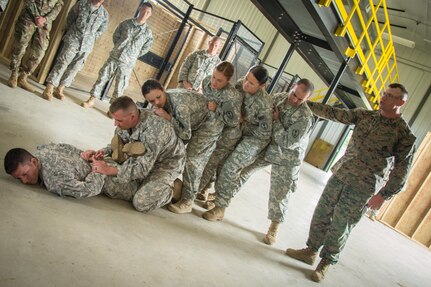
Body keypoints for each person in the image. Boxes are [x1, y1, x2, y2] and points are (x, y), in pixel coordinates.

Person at [285, 83, 416, 282]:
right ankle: (310, 251)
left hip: (363, 186)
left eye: (389, 96)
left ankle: (326, 262)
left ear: (401, 102)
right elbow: (334, 113)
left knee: (341, 224)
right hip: (340, 174)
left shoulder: (404, 134)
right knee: (322, 213)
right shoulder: (365, 115)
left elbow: (401, 171)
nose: (383, 97)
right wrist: (306, 103)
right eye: (384, 93)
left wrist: (383, 195)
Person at [236, 79, 315, 245]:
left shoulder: (305, 117)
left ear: (306, 100)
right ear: (291, 88)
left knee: (279, 193)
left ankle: (274, 228)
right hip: (270, 146)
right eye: (294, 95)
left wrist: (276, 120)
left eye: (300, 99)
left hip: (288, 157)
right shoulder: (279, 98)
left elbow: (287, 141)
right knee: (243, 170)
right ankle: (222, 198)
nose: (294, 100)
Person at [82, 96, 186, 213]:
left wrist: (109, 170)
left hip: (166, 164)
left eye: (119, 120)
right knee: (109, 172)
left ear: (132, 117)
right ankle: (144, 183)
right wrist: (100, 152)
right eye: (114, 119)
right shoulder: (125, 122)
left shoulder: (156, 129)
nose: (115, 124)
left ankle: (171, 189)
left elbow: (143, 168)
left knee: (141, 202)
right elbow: (119, 143)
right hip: (143, 157)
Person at [168, 61, 242, 214]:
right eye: (214, 76)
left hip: (210, 131)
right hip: (195, 121)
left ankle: (188, 200)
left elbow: (233, 121)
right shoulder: (207, 80)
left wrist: (219, 109)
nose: (214, 82)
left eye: (219, 80)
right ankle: (168, 185)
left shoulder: (232, 95)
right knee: (174, 149)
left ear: (228, 81)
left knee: (193, 162)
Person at [201, 65, 273, 222]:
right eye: (246, 78)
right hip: (236, 129)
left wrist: (243, 122)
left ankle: (220, 208)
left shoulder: (265, 104)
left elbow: (265, 133)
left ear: (262, 86)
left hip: (254, 138)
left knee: (231, 166)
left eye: (251, 83)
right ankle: (208, 190)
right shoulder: (240, 84)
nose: (246, 84)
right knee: (219, 156)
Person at [81, 2, 153, 109]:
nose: (144, 14)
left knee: (120, 86)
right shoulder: (126, 23)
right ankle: (91, 100)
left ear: (150, 15)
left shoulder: (148, 33)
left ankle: (113, 109)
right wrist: (119, 48)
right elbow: (116, 36)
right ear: (139, 8)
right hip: (115, 57)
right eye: (143, 10)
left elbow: (145, 49)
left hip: (128, 63)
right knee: (102, 78)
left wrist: (132, 54)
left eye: (147, 13)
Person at [41, 0, 109, 101]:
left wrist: (91, 38)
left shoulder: (104, 14)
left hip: (87, 46)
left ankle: (60, 88)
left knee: (75, 68)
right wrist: (73, 33)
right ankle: (49, 87)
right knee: (62, 62)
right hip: (73, 39)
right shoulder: (82, 4)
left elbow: (101, 30)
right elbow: (70, 19)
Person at [4, 143, 112, 198]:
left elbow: (90, 189)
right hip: (108, 160)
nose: (24, 181)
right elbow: (64, 146)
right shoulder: (44, 149)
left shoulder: (53, 180)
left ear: (34, 162)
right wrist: (82, 154)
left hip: (116, 180)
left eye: (25, 174)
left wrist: (98, 169)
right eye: (19, 179)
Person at [7, 0, 64, 92]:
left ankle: (23, 77)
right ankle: (14, 74)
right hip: (28, 18)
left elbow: (58, 7)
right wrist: (37, 17)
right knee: (20, 46)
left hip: (44, 24)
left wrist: (44, 19)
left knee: (39, 52)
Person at [141, 79, 210, 142]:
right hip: (192, 120)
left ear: (163, 89)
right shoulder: (164, 96)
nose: (157, 102)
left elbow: (186, 135)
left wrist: (168, 118)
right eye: (152, 101)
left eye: (158, 97)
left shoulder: (180, 107)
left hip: (207, 121)